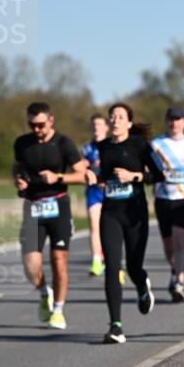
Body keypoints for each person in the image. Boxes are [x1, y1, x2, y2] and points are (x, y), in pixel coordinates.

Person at [13, 102, 86, 330]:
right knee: (31, 265)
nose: (36, 129)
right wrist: (19, 179)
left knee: (59, 262)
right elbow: (17, 167)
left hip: (58, 207)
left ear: (51, 120)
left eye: (40, 124)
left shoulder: (64, 143)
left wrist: (58, 177)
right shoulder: (22, 143)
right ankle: (45, 293)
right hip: (33, 207)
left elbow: (82, 174)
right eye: (31, 124)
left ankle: (58, 310)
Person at [95, 103, 164, 344]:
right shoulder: (101, 147)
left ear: (129, 122)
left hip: (134, 212)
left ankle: (142, 285)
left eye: (120, 117)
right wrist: (95, 178)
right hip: (110, 212)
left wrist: (133, 176)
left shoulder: (139, 145)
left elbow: (158, 175)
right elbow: (101, 176)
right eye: (112, 116)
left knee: (134, 266)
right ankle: (115, 325)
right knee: (112, 267)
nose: (114, 120)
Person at [151, 107, 184, 302]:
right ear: (167, 121)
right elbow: (149, 167)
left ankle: (180, 282)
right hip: (163, 197)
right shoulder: (156, 144)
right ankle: (175, 271)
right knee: (169, 245)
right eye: (171, 119)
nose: (174, 123)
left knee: (180, 240)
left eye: (178, 119)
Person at [81, 114, 110, 276]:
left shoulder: (113, 145)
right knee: (94, 224)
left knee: (110, 226)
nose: (96, 127)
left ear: (106, 127)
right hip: (94, 191)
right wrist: (85, 166)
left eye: (99, 124)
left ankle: (112, 257)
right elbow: (79, 167)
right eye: (93, 125)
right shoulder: (87, 148)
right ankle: (96, 261)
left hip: (111, 191)